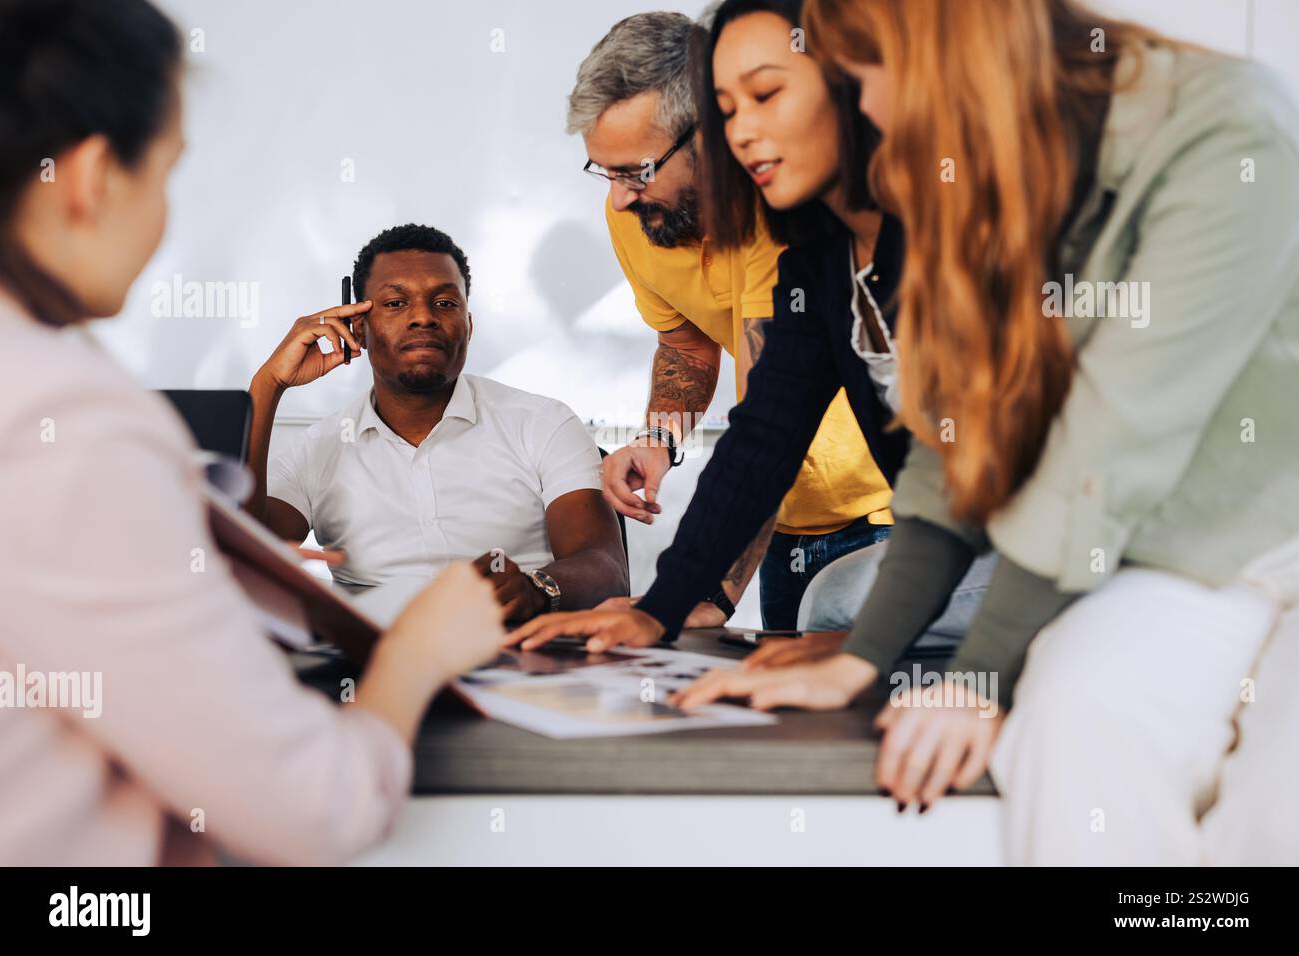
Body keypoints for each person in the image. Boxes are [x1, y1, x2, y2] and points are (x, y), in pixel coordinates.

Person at [532, 0, 1299, 864]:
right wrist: (826, 651)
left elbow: (1105, 442)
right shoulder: (923, 208)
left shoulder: (1217, 132)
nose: (869, 111)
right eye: (731, 105)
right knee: (1077, 722)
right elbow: (928, 456)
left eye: (854, 76)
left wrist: (969, 672)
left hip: (1238, 533)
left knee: (1272, 808)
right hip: (1163, 555)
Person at [0, 0, 508, 866]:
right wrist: (417, 655)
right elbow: (313, 808)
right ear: (88, 177)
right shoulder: (67, 423)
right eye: (165, 175)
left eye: (443, 299)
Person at [569, 12, 898, 629]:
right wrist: (660, 439)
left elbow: (767, 419)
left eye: (636, 171)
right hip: (780, 526)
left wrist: (709, 594)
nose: (617, 198)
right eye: (605, 172)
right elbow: (694, 354)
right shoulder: (638, 211)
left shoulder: (789, 226)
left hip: (893, 515)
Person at [245, 223, 629, 622]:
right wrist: (268, 385)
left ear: (469, 325)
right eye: (396, 304)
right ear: (357, 326)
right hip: (373, 668)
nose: (424, 318)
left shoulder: (543, 423)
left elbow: (605, 568)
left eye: (445, 303)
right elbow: (246, 563)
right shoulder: (316, 448)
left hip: (520, 659)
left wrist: (536, 589)